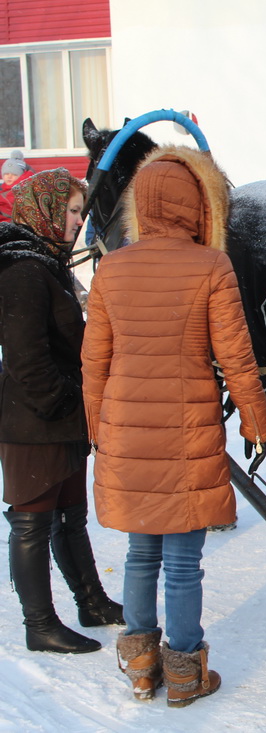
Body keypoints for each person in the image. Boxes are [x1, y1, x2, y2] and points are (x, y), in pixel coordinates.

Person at [82, 146, 266, 706]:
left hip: (128, 432)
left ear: (140, 205)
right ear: (195, 206)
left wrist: (98, 426)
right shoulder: (211, 267)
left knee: (142, 554)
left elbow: (94, 360)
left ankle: (141, 665)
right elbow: (236, 357)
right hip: (188, 432)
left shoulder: (112, 268)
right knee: (183, 563)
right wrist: (256, 421)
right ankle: (187, 673)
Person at [0, 168, 123, 655]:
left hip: (62, 419)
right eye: (72, 211)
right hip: (34, 423)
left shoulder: (48, 264)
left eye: (79, 212)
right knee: (31, 521)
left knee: (71, 517)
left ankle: (90, 602)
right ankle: (40, 624)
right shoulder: (23, 272)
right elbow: (26, 358)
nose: (78, 222)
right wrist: (65, 402)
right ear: (47, 209)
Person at [0, 150, 35, 223]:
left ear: (21, 176)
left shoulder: (21, 190)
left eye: (14, 174)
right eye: (6, 174)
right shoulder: (3, 189)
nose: (9, 177)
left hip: (15, 224)